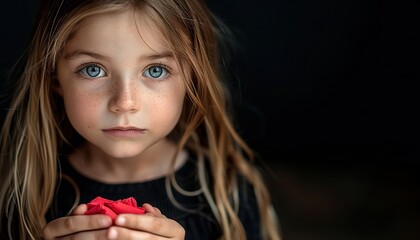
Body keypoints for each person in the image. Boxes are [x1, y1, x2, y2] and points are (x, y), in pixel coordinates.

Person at [0, 0, 280, 239]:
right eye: (93, 70)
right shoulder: (19, 194)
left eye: (156, 70)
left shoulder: (228, 196)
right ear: (54, 78)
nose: (125, 103)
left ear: (192, 77)